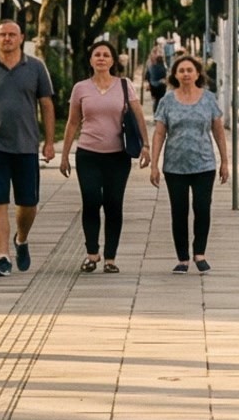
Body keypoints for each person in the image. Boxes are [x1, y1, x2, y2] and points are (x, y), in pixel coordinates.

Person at [0, 20, 58, 277]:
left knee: (28, 203)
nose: (7, 39)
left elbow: (47, 105)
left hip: (26, 145)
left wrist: (49, 143)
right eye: (3, 34)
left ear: (21, 38)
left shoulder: (36, 67)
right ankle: (2, 257)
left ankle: (21, 240)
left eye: (12, 35)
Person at [59, 38, 140, 274]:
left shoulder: (125, 85)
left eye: (106, 55)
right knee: (92, 201)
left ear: (113, 60)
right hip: (88, 155)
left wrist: (145, 148)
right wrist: (64, 155)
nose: (101, 58)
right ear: (91, 60)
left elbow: (137, 117)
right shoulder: (80, 88)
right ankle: (92, 253)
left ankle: (111, 258)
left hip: (118, 156)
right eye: (97, 55)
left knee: (114, 204)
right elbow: (73, 122)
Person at [147, 53, 229, 272]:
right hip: (175, 167)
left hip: (204, 165)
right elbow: (159, 134)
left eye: (189, 70)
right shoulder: (167, 100)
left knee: (202, 209)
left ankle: (199, 253)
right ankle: (182, 258)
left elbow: (218, 131)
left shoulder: (209, 99)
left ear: (197, 74)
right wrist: (154, 164)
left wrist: (224, 162)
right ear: (174, 74)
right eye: (181, 70)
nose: (185, 74)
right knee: (179, 211)